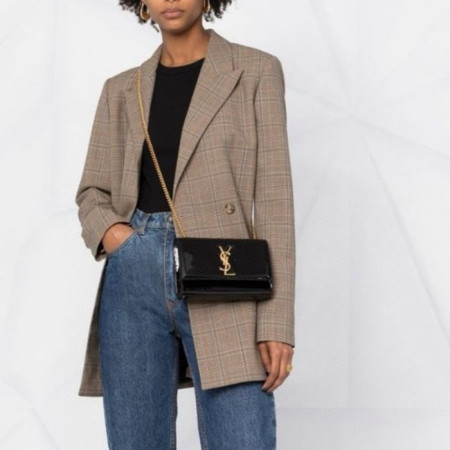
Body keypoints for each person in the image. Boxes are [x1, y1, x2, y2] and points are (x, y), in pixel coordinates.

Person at [75, 0, 295, 448]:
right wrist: (121, 240)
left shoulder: (255, 71)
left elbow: (274, 198)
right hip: (134, 275)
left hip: (224, 271)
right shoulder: (122, 89)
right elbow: (92, 192)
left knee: (243, 436)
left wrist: (277, 323)